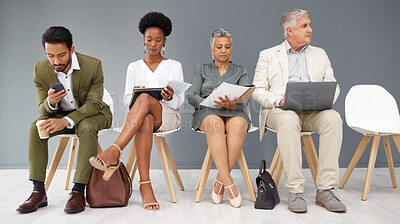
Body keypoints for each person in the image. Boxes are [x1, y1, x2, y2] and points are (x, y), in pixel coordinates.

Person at [252, 9, 346, 213]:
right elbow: (257, 90)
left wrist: (324, 99)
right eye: (304, 26)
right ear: (289, 30)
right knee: (288, 120)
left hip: (313, 111)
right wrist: (279, 100)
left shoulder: (320, 54)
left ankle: (325, 190)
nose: (310, 29)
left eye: (309, 24)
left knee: (333, 118)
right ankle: (295, 191)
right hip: (281, 111)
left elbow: (333, 84)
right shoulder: (268, 55)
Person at [89, 12, 183, 211]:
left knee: (146, 100)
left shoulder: (174, 65)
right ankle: (145, 186)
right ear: (143, 39)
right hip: (141, 118)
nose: (153, 44)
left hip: (167, 115)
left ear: (164, 41)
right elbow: (126, 101)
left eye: (158, 40)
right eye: (149, 39)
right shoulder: (133, 67)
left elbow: (179, 102)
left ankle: (114, 150)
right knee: (145, 118)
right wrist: (137, 98)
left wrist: (169, 96)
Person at [17, 26, 112, 214]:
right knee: (35, 127)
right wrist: (50, 103)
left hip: (95, 115)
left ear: (71, 50)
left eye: (61, 55)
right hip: (61, 115)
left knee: (85, 126)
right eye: (50, 56)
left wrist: (66, 121)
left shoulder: (93, 65)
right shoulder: (40, 69)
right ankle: (38, 192)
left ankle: (78, 191)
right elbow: (41, 108)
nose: (55, 61)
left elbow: (94, 104)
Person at [187, 28, 250, 208]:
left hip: (234, 111)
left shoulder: (240, 70)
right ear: (212, 49)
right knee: (215, 123)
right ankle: (229, 183)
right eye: (219, 46)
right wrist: (209, 101)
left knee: (238, 124)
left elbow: (245, 97)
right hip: (208, 112)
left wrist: (233, 104)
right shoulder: (202, 68)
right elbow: (191, 96)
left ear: (231, 49)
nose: (223, 50)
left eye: (227, 47)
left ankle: (220, 180)